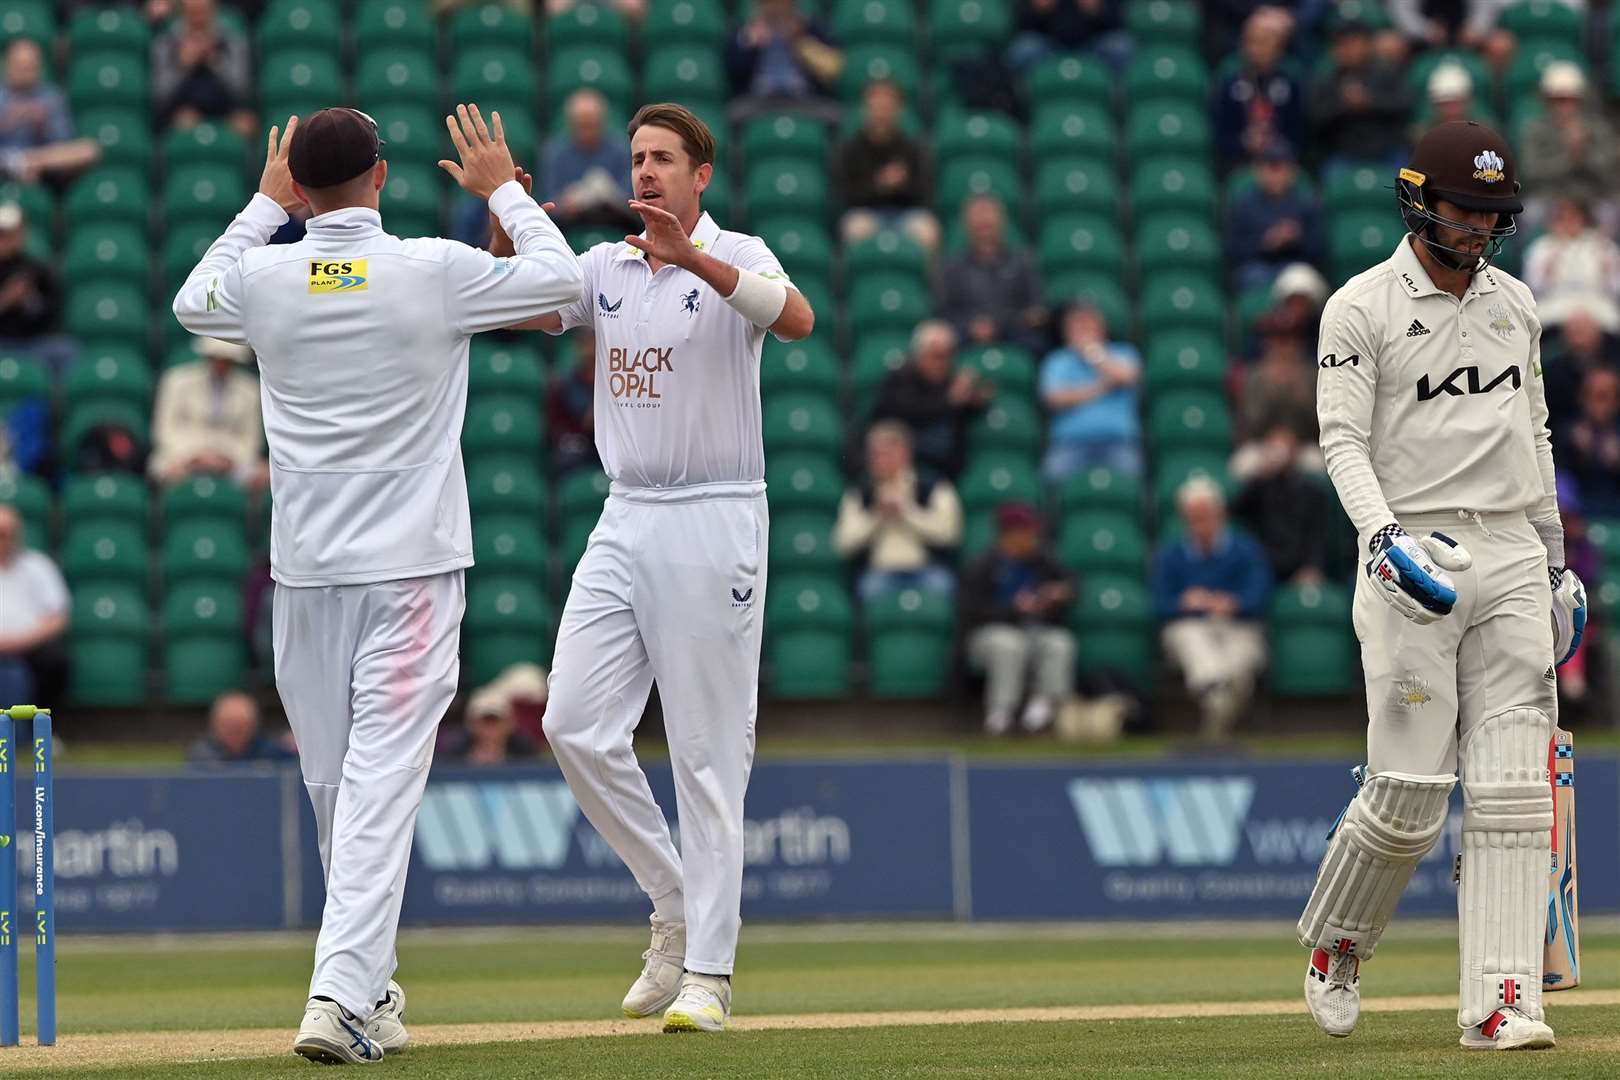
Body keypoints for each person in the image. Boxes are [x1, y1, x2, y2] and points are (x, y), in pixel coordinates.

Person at [172, 104, 583, 1063]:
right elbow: (564, 285)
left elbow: (194, 302)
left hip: (307, 576)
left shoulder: (268, 276)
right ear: (384, 177)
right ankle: (340, 996)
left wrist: (260, 208)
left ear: (301, 188)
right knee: (373, 786)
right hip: (409, 573)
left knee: (336, 786)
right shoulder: (431, 268)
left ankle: (367, 987)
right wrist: (504, 189)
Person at [504, 102, 814, 1034]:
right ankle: (676, 904)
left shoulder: (740, 250)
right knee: (574, 723)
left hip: (715, 513)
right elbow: (524, 305)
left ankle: (709, 977)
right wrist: (504, 210)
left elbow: (795, 319)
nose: (644, 173)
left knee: (708, 756)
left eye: (663, 159)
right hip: (626, 511)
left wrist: (697, 262)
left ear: (699, 175)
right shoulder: (603, 265)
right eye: (637, 159)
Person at [1297, 121, 1583, 1051]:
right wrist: (1382, 540)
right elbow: (1341, 439)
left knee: (1510, 794)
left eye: (1495, 214)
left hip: (1507, 551)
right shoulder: (1360, 307)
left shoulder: (1516, 305)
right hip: (1412, 549)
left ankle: (1502, 1001)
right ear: (1420, 200)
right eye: (1465, 211)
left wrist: (1552, 560)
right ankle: (1337, 943)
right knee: (1412, 791)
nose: (1479, 230)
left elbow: (1532, 437)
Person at [1150, 477, 1271, 742]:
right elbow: (1159, 603)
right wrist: (1185, 602)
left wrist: (1232, 602)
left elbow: (1259, 594)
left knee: (1243, 653)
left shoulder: (1244, 549)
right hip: (1190, 625)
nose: (1199, 524)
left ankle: (1214, 717)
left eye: (1204, 516)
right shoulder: (1171, 554)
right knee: (1190, 637)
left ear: (1219, 514)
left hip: (1236, 623)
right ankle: (1214, 682)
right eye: (1192, 518)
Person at [960, 502, 1075, 735]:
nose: (1032, 537)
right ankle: (1000, 713)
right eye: (1026, 532)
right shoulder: (983, 564)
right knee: (1010, 644)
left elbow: (1072, 582)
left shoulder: (1042, 559)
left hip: (1033, 629)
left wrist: (1059, 592)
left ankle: (1043, 707)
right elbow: (971, 611)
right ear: (1009, 535)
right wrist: (1014, 610)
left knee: (1059, 642)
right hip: (988, 634)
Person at [834, 421, 963, 602]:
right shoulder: (861, 492)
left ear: (905, 453)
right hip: (879, 573)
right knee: (868, 589)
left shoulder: (933, 487)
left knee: (943, 586)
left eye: (886, 453)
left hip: (927, 570)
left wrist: (906, 513)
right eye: (875, 455)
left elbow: (949, 534)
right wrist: (877, 515)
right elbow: (844, 544)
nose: (879, 461)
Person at [868, 319, 991, 479]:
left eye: (948, 355)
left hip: (948, 468)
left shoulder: (951, 379)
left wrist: (974, 398)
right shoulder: (900, 379)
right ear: (919, 354)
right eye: (937, 355)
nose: (943, 362)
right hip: (908, 467)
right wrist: (949, 400)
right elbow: (907, 412)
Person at [1038, 301, 1142, 481]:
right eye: (1076, 326)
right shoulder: (1057, 360)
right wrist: (1102, 386)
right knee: (1049, 481)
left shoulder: (1124, 352)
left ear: (1102, 327)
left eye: (1087, 324)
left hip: (1118, 441)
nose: (1083, 330)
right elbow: (1055, 398)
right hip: (1070, 443)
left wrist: (1094, 354)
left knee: (1132, 484)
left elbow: (1127, 377)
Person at [149, 335, 268, 490]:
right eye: (216, 358)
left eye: (227, 360)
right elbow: (164, 430)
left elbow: (250, 440)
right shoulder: (176, 381)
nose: (221, 365)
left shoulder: (249, 390)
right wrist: (195, 456)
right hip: (182, 454)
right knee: (166, 470)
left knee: (264, 475)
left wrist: (225, 459)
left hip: (231, 459)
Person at [837, 80, 939, 256]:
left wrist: (900, 185)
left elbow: (924, 193)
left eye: (887, 107)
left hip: (905, 214)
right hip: (866, 214)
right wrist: (880, 185)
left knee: (928, 230)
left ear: (898, 110)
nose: (882, 114)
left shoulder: (912, 148)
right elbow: (846, 195)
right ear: (866, 110)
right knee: (854, 228)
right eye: (877, 107)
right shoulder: (851, 149)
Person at [935, 195, 1047, 354]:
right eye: (978, 218)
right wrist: (971, 326)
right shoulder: (953, 267)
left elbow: (1036, 309)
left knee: (1039, 344)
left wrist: (1000, 325)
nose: (984, 222)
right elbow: (943, 311)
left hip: (1013, 332)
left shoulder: (1022, 262)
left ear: (1003, 221)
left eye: (989, 216)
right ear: (965, 223)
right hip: (965, 334)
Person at [1519, 62, 1620, 234]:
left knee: (1610, 212)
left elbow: (1610, 169)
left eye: (1569, 99)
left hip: (1592, 195)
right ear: (1547, 101)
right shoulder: (1535, 129)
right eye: (1557, 100)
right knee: (1530, 214)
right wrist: (1569, 155)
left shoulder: (1598, 127)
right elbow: (1531, 171)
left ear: (1579, 100)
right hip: (1551, 195)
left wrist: (1583, 154)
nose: (1564, 106)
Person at [1231, 425, 1340, 583]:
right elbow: (1235, 511)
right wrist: (1262, 474)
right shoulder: (1259, 487)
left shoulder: (1313, 491)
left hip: (1300, 565)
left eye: (1283, 447)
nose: (1278, 453)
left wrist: (1312, 567)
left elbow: (1318, 535)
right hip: (1263, 565)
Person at [1309, 13, 1411, 171]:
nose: (1349, 50)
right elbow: (1316, 117)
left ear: (1367, 45)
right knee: (1331, 181)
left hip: (1386, 151)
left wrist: (1369, 102)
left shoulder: (1385, 72)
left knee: (1406, 189)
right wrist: (1344, 104)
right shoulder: (1328, 78)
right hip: (1343, 153)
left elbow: (1404, 105)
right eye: (1343, 44)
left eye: (1354, 43)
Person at [1213, 7, 1304, 169]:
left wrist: (1274, 143)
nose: (1256, 48)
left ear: (1279, 46)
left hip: (1282, 163)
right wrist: (1244, 143)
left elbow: (1300, 134)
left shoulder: (1290, 84)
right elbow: (1220, 135)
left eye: (1264, 41)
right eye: (1252, 41)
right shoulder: (1231, 83)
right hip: (1238, 162)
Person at [725, 0, 843, 123]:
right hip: (759, 99)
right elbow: (733, 71)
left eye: (782, 3)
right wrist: (749, 43)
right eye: (770, 4)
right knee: (733, 114)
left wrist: (800, 41)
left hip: (803, 98)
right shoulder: (746, 31)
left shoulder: (810, 28)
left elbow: (833, 69)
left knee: (833, 114)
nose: (776, 8)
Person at [0, 39, 99, 184]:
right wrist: (8, 121)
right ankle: (14, 163)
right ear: (7, 65)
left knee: (89, 150)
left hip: (42, 162)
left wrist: (44, 127)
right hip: (3, 155)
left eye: (29, 67)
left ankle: (25, 162)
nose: (24, 72)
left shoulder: (51, 98)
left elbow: (64, 143)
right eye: (19, 66)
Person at [0, 504, 69, 711]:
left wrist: (21, 642)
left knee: (55, 661)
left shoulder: (38, 565)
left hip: (30, 646)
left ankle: (40, 726)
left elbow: (58, 618)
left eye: (7, 533)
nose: (4, 539)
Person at [151, 0, 255, 136]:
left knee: (246, 124)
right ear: (183, 12)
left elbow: (242, 89)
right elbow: (160, 94)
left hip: (227, 111)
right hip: (182, 112)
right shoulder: (166, 43)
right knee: (182, 123)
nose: (198, 20)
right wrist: (183, 67)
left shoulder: (232, 41)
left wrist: (216, 62)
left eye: (202, 13)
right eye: (193, 13)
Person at [1226, 139, 1320, 288]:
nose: (1275, 176)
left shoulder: (1306, 204)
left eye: (1280, 168)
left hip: (1294, 264)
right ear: (1258, 172)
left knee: (1304, 280)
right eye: (1270, 168)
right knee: (1253, 277)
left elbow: (1318, 249)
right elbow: (1234, 249)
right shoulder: (1245, 205)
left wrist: (1296, 238)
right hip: (1258, 266)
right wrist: (1265, 243)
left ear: (1292, 171)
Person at [1521, 199, 1620, 334]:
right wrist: (1550, 264)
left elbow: (1615, 289)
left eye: (1573, 217)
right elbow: (1533, 288)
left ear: (1583, 219)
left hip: (1595, 304)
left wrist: (1606, 268)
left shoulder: (1603, 245)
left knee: (1612, 322)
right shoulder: (1543, 247)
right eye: (1563, 218)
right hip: (1555, 304)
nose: (1569, 223)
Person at [541, 89, 634, 232]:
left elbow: (631, 204)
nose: (587, 133)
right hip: (570, 229)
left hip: (614, 226)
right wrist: (568, 201)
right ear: (571, 124)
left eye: (592, 125)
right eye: (582, 126)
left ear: (602, 122)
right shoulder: (556, 153)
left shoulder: (620, 150)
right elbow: (548, 204)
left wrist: (609, 194)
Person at [1559, 367, 1620, 517]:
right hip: (1579, 515)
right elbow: (1558, 480)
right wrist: (1577, 454)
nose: (1598, 405)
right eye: (1592, 396)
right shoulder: (1568, 433)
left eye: (1604, 397)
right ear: (1582, 399)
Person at [1543, 310, 1617, 432]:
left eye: (1583, 332)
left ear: (1598, 335)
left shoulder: (1614, 367)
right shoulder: (1553, 375)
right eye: (1575, 333)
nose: (1579, 341)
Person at [0, 202, 61, 345]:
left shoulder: (35, 269)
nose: (4, 239)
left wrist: (29, 300)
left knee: (64, 350)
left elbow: (50, 313)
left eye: (9, 233)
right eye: (2, 233)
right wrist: (6, 299)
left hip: (33, 341)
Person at [186, 690, 297, 766]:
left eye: (241, 729)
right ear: (215, 726)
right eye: (229, 727)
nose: (235, 735)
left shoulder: (271, 753)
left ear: (254, 726)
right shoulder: (202, 757)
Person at [440, 687, 541, 765]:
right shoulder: (453, 754)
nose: (490, 729)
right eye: (485, 721)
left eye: (496, 721)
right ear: (471, 724)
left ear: (510, 724)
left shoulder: (526, 752)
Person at [546, 328, 598, 473]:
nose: (589, 350)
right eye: (584, 344)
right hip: (580, 443)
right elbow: (587, 421)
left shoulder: (614, 381)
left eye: (592, 343)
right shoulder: (567, 383)